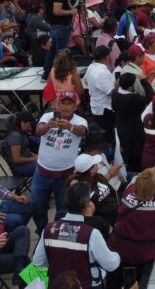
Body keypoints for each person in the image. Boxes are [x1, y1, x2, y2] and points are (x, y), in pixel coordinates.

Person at [32, 180, 121, 288]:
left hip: (59, 285)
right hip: (88, 285)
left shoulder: (49, 229)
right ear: (87, 204)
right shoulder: (92, 234)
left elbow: (38, 263)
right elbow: (111, 265)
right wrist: (117, 255)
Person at [30, 90, 90, 230]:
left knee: (63, 209)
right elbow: (38, 131)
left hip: (66, 175)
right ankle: (41, 232)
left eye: (69, 104)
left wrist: (70, 127)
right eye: (62, 103)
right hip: (42, 172)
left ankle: (56, 232)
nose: (65, 107)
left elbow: (83, 131)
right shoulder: (47, 116)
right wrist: (47, 126)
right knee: (37, 206)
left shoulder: (80, 121)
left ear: (75, 106)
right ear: (56, 104)